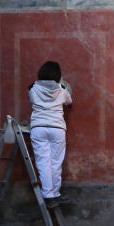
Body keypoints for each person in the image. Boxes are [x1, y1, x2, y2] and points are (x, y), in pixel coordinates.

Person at [28, 61, 72, 206]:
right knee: (56, 162)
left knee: (42, 162)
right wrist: (63, 84)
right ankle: (55, 193)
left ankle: (48, 195)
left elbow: (32, 100)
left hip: (38, 127)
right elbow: (69, 101)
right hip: (57, 128)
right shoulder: (62, 90)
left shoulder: (33, 89)